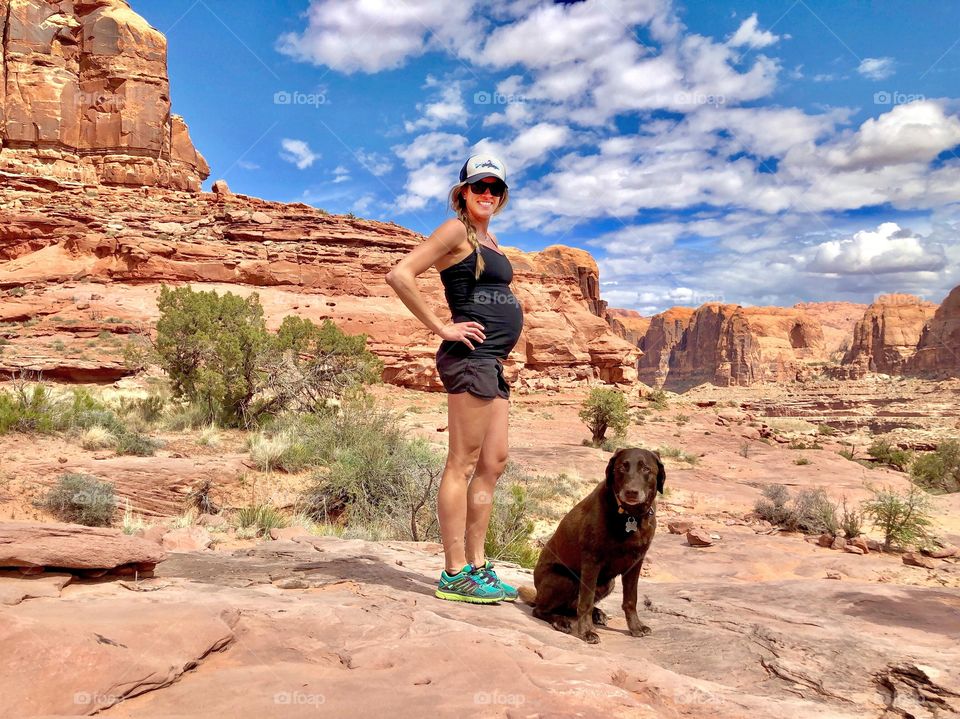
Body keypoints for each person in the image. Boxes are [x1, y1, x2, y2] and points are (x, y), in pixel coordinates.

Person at [385, 154, 524, 604]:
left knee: (493, 462)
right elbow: (400, 274)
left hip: (490, 361)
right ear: (463, 192)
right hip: (469, 358)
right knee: (462, 463)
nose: (488, 194)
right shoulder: (455, 230)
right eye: (479, 186)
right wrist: (442, 328)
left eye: (496, 188)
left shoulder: (489, 238)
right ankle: (453, 572)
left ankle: (478, 566)